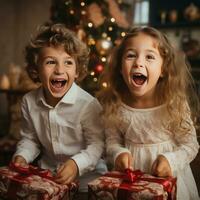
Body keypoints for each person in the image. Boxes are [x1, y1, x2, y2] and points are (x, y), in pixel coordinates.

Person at [98, 26, 200, 200]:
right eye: (131, 55)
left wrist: (170, 160)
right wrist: (118, 153)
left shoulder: (174, 103)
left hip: (170, 179)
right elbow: (112, 140)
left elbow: (191, 145)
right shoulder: (116, 103)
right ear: (120, 68)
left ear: (163, 70)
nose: (138, 62)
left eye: (150, 57)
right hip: (131, 180)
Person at [11, 23, 107, 198]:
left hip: (86, 184)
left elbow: (97, 146)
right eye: (50, 62)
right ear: (35, 70)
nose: (59, 70)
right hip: (47, 180)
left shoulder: (87, 104)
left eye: (68, 62)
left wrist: (75, 164)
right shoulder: (29, 102)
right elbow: (30, 139)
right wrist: (22, 156)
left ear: (77, 70)